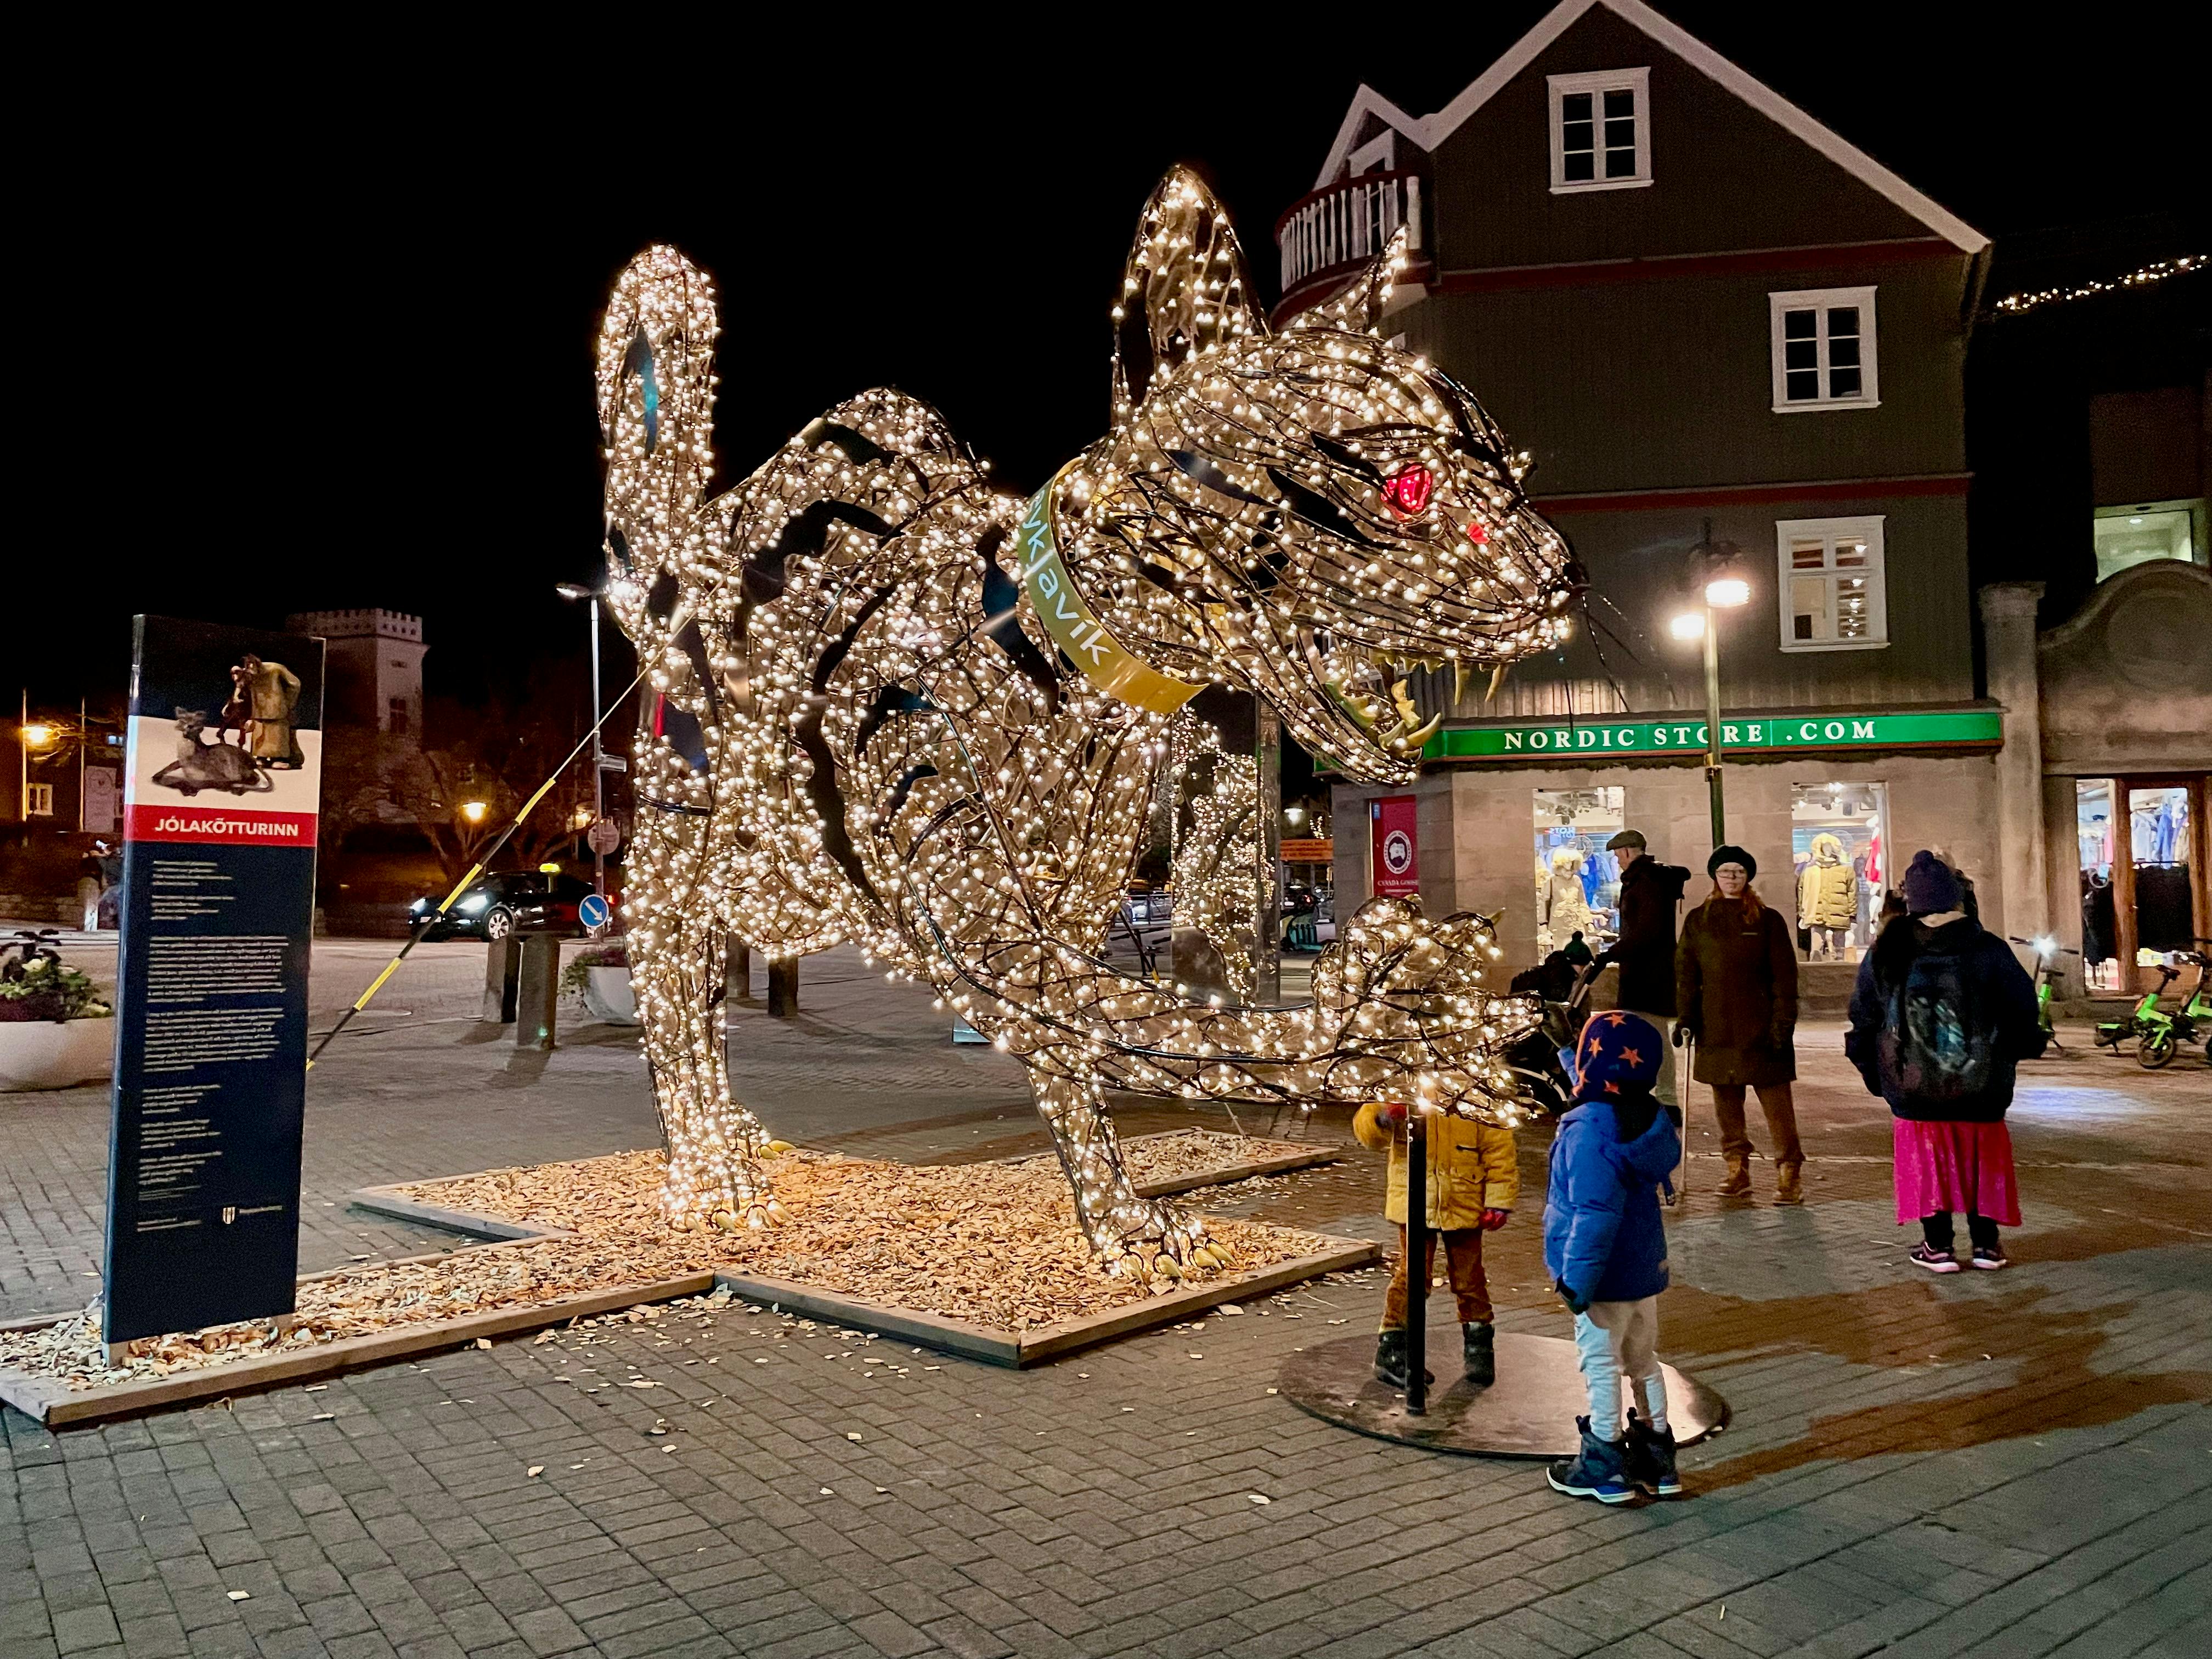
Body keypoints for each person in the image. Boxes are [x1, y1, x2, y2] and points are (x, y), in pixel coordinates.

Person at [1848, 850, 2042, 1272]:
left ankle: (1937, 1247)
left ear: (1912, 901)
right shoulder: (1989, 948)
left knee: (1928, 1163)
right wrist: (2012, 1057)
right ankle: (1987, 1246)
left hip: (1914, 1086)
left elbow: (1864, 1016)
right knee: (1982, 1160)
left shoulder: (1890, 949)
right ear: (1957, 900)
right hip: (1982, 1087)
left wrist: (1877, 1075)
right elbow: (2023, 1013)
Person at [1543, 1012, 1684, 1504]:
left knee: (1601, 1364)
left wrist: (1578, 1283)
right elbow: (1604, 1088)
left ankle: (1603, 1460)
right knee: (1643, 1362)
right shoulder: (1646, 1114)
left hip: (1603, 1278)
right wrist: (1568, 1050)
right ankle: (1658, 1458)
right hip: (1644, 1270)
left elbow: (1594, 1214)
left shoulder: (1588, 1128)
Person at [1354, 1099, 1516, 1389]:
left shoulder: (1473, 1093)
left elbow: (1498, 1148)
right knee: (1413, 1275)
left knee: (1470, 1277)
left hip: (1464, 1199)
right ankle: (1393, 1348)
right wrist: (1382, 1118)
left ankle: (1479, 1345)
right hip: (1415, 1199)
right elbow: (1368, 1132)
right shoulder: (1402, 1085)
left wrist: (1498, 1200)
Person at [1675, 845, 1805, 1204]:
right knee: (1727, 1107)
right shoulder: (1700, 920)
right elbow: (1687, 974)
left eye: (1739, 872)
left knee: (1778, 1108)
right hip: (1716, 1028)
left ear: (1748, 877)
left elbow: (1785, 978)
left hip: (1762, 1029)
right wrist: (1686, 1016)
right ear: (1715, 877)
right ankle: (1737, 1169)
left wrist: (1784, 1023)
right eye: (1725, 872)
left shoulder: (1768, 920)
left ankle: (1789, 1172)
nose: (1732, 879)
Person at [1591, 829, 1689, 1108]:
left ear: (1626, 852)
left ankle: (1667, 1098)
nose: (1617, 861)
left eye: (1617, 856)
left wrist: (1611, 954)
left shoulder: (1646, 881)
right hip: (1643, 972)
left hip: (1649, 974)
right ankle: (1650, 1092)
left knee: (1654, 1035)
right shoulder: (1645, 879)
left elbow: (1644, 932)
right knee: (1643, 1034)